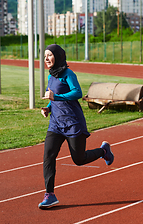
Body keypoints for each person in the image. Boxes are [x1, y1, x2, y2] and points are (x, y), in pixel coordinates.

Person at [38, 44, 114, 209]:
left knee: (79, 159)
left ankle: (104, 151)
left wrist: (56, 96)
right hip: (56, 124)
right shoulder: (51, 76)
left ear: (57, 56)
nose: (46, 59)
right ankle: (49, 194)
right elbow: (53, 98)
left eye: (49, 55)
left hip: (73, 123)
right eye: (44, 56)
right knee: (48, 157)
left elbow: (77, 93)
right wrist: (48, 108)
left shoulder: (68, 74)